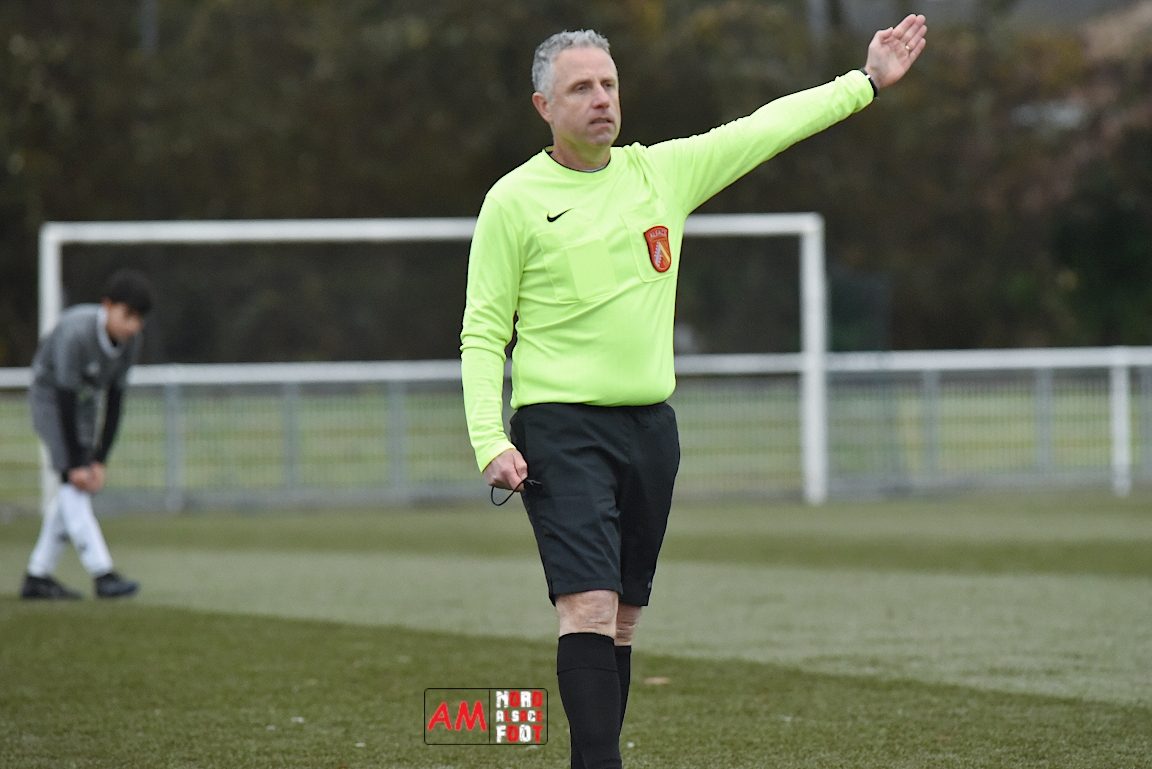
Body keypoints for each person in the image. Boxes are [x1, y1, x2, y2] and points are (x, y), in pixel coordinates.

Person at [461, 17, 927, 769]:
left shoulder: (662, 173)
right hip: (559, 430)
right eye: (581, 88)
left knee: (622, 620)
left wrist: (865, 82)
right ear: (544, 107)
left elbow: (765, 128)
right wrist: (490, 437)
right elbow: (483, 333)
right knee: (587, 605)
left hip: (651, 431)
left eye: (609, 84)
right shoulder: (513, 201)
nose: (602, 99)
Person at [19, 269, 155, 600]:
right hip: (52, 400)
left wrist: (99, 458)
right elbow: (63, 395)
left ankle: (37, 575)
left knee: (75, 485)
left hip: (84, 404)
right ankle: (102, 573)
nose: (133, 326)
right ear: (107, 305)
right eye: (128, 315)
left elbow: (116, 400)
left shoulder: (131, 343)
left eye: (140, 319)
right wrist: (75, 462)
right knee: (72, 479)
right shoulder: (75, 332)